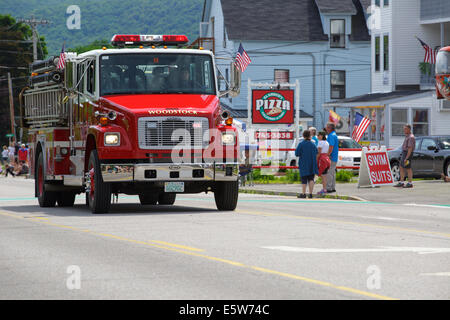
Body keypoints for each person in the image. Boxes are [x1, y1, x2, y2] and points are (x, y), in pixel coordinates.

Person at [295, 129, 318, 198]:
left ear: (303, 136)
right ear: (310, 136)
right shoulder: (313, 144)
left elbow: (297, 153)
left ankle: (303, 193)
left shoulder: (301, 144)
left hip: (303, 163)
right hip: (312, 163)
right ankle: (310, 194)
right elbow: (316, 152)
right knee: (311, 179)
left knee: (304, 179)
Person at [325, 122, 339, 193]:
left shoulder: (331, 136)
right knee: (332, 172)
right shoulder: (334, 135)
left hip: (331, 156)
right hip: (335, 156)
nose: (326, 129)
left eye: (327, 127)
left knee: (329, 172)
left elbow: (331, 146)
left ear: (330, 128)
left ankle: (329, 187)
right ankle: (333, 187)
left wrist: (327, 155)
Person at [316, 131, 331, 195]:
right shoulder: (327, 142)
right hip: (327, 159)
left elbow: (319, 153)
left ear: (322, 136)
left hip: (322, 160)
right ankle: (324, 188)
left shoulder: (320, 143)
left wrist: (316, 160)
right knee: (324, 175)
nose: (318, 136)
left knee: (322, 175)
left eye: (319, 135)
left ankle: (324, 189)